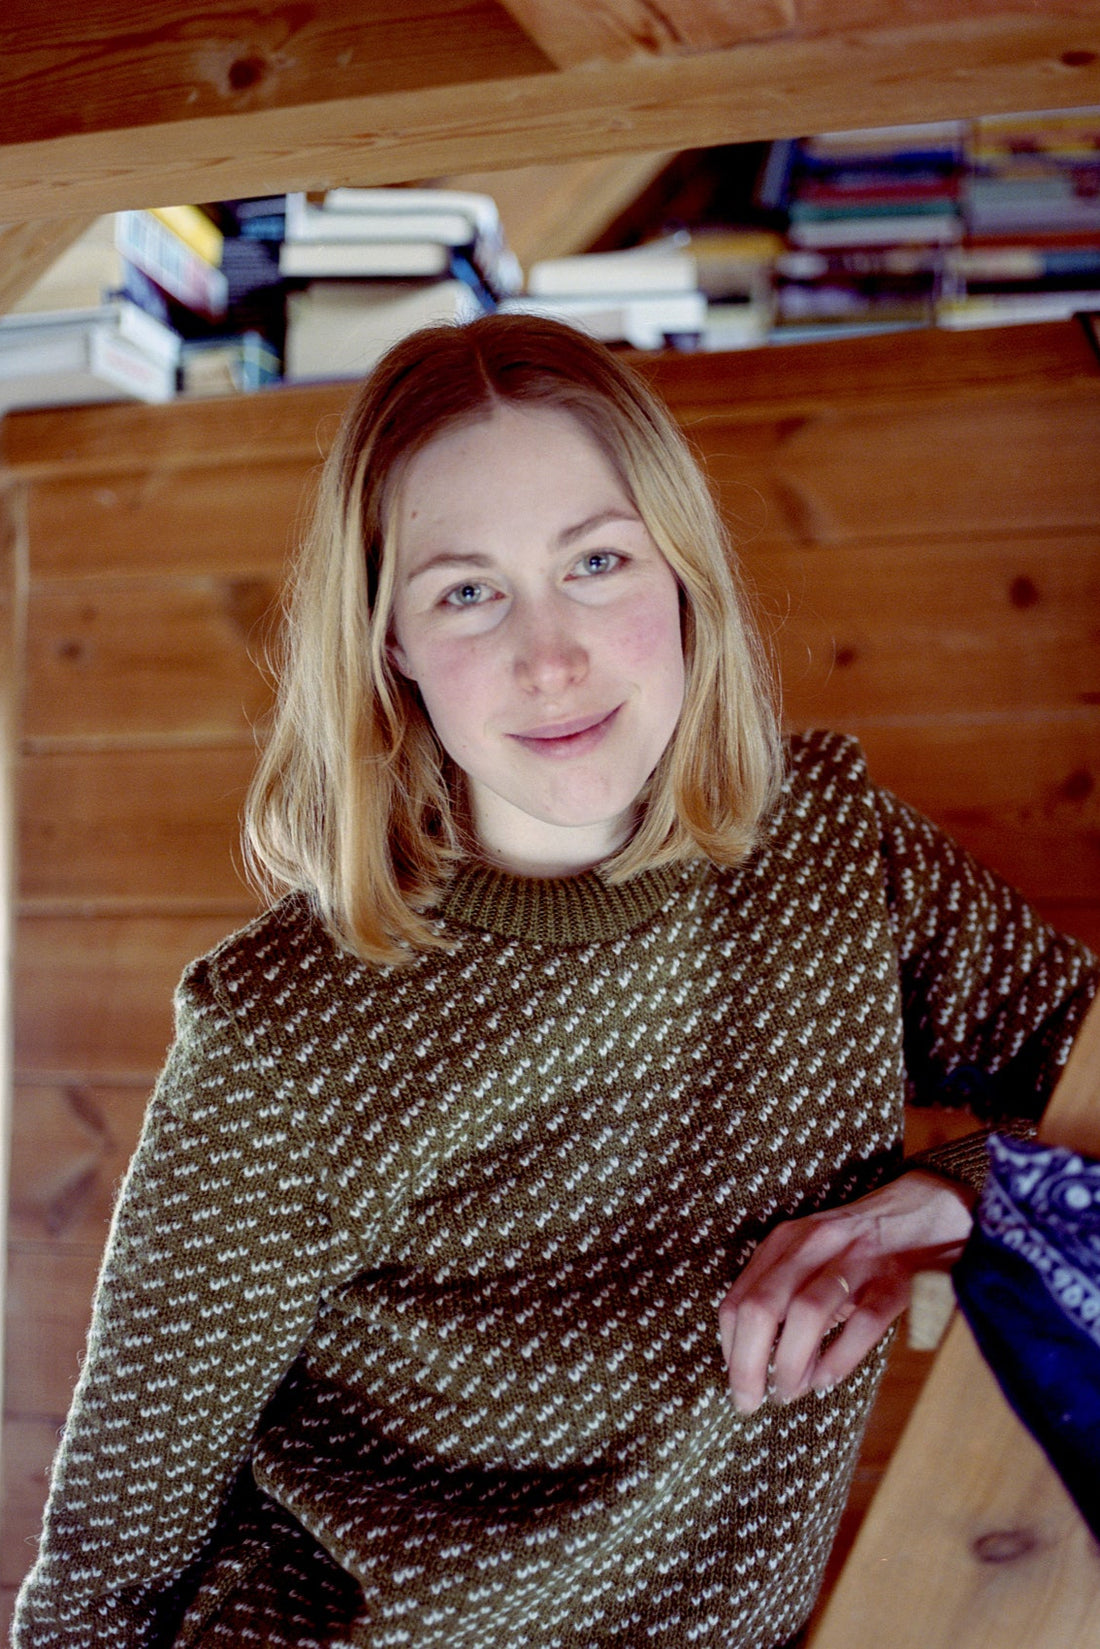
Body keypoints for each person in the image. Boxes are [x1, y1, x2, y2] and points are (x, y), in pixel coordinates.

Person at [14, 315, 1097, 1649]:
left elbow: (1085, 1092)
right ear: (390, 639)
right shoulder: (276, 1039)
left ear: (682, 573)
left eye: (595, 561)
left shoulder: (841, 859)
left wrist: (954, 1197)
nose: (551, 653)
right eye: (468, 589)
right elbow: (106, 1570)